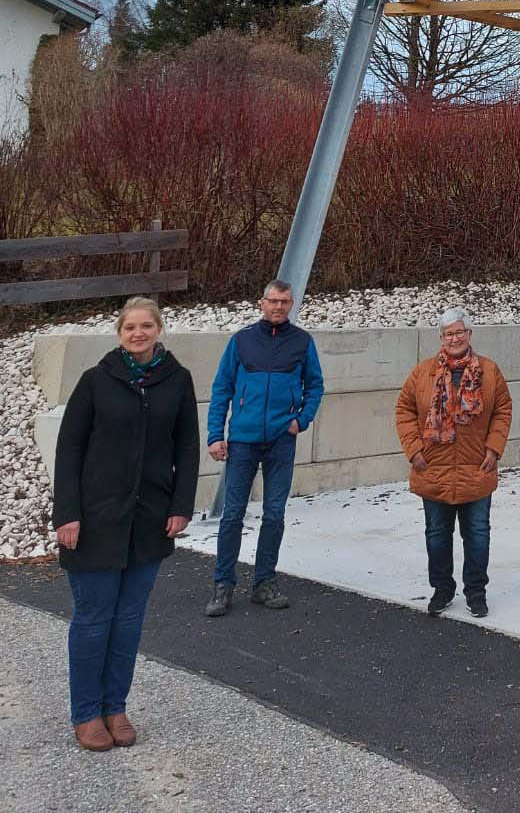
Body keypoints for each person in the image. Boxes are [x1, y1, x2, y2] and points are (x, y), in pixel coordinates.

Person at [52, 296, 199, 751]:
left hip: (149, 520)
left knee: (129, 619)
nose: (138, 333)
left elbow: (187, 449)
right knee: (94, 618)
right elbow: (69, 450)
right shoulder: (96, 381)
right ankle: (86, 713)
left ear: (159, 329)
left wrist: (181, 506)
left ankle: (115, 706)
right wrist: (67, 513)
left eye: (146, 326)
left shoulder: (177, 381)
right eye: (129, 327)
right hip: (95, 519)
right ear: (119, 333)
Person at [204, 279, 324, 616]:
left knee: (274, 514)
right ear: (262, 303)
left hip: (281, 442)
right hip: (242, 440)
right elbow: (221, 388)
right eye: (273, 301)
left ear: (290, 305)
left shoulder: (302, 342)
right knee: (232, 516)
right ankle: (223, 585)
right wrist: (216, 434)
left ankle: (264, 583)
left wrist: (302, 420)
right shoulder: (241, 341)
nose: (278, 307)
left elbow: (315, 385)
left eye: (285, 302)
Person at [394, 307, 512, 619]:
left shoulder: (489, 371)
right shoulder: (423, 373)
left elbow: (502, 409)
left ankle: (476, 592)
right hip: (432, 468)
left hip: (477, 468)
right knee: (436, 534)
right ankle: (442, 589)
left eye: (460, 332)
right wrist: (414, 449)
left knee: (478, 533)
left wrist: (494, 448)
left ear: (469, 334)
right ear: (441, 338)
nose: (455, 338)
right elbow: (404, 409)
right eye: (449, 334)